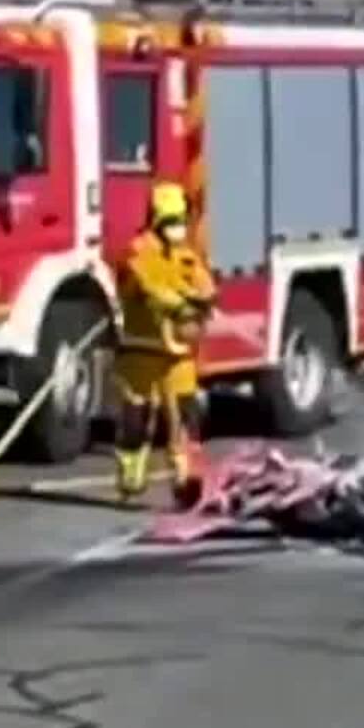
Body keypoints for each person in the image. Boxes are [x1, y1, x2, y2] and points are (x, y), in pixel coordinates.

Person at [113, 182, 217, 506]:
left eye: (180, 220)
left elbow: (206, 286)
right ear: (156, 221)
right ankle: (131, 477)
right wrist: (184, 304)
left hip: (178, 355)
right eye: (170, 221)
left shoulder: (187, 256)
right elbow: (150, 288)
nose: (177, 227)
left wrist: (203, 298)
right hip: (141, 351)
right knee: (136, 416)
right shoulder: (138, 251)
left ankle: (187, 483)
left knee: (186, 418)